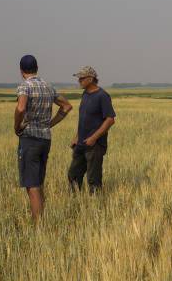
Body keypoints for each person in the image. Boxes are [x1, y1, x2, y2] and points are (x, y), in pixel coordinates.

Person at [14, 55, 72, 224]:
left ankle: (39, 224)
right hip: (45, 139)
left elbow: (21, 107)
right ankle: (42, 218)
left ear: (21, 70)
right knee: (38, 181)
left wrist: (17, 126)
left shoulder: (24, 87)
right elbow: (67, 106)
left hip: (29, 138)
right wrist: (50, 123)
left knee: (31, 185)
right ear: (37, 67)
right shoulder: (48, 86)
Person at [68, 66, 115, 193]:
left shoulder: (102, 96)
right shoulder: (85, 94)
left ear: (90, 79)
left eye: (81, 78)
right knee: (73, 174)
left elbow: (110, 119)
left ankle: (95, 207)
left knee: (93, 179)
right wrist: (77, 137)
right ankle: (75, 203)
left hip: (95, 145)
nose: (79, 81)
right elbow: (84, 119)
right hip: (81, 143)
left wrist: (94, 138)